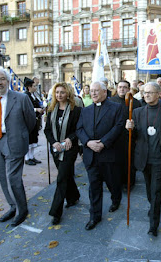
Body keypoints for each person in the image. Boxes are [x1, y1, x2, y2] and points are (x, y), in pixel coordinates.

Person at [0, 66, 35, 226]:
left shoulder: (21, 98)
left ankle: (22, 209)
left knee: (13, 178)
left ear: (8, 81)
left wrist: (20, 136)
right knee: (3, 178)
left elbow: (31, 122)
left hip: (14, 142)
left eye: (2, 79)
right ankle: (12, 206)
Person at [126, 82, 161, 237]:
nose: (146, 95)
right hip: (143, 158)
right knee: (149, 191)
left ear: (158, 94)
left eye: (150, 92)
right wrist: (129, 129)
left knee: (156, 191)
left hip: (158, 159)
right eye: (144, 92)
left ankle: (154, 224)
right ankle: (153, 206)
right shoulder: (137, 112)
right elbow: (133, 137)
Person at [76, 82, 123, 231]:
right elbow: (79, 129)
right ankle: (94, 216)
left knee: (113, 183)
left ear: (105, 92)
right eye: (92, 91)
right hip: (91, 155)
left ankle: (116, 199)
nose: (94, 93)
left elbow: (118, 127)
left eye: (97, 91)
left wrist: (103, 143)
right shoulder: (86, 110)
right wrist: (88, 143)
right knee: (94, 187)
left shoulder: (116, 107)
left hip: (108, 154)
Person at [44, 82, 81, 225]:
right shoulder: (51, 109)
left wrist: (69, 138)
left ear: (68, 94)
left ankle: (56, 212)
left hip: (69, 149)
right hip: (55, 149)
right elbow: (47, 130)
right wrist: (54, 142)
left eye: (62, 92)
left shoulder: (75, 110)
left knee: (61, 179)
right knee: (66, 176)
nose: (59, 95)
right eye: (57, 92)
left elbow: (79, 129)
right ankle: (73, 197)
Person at [110, 80, 141, 190]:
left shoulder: (135, 102)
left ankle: (129, 183)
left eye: (124, 87)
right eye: (120, 87)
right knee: (116, 162)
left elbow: (139, 120)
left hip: (130, 137)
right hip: (115, 138)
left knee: (129, 161)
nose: (122, 89)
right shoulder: (111, 101)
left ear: (128, 89)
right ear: (117, 89)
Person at [24, 77, 44, 165]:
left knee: (34, 139)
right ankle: (27, 158)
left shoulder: (34, 95)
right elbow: (26, 109)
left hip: (35, 120)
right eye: (34, 86)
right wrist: (36, 110)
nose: (35, 87)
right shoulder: (25, 96)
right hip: (29, 121)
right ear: (29, 87)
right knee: (29, 139)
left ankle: (32, 156)